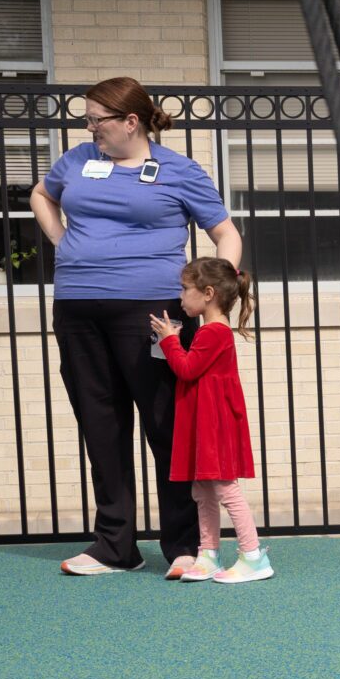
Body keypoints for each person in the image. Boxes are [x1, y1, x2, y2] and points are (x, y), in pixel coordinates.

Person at [31, 77, 242, 578]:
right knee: (100, 424)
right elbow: (42, 194)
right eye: (86, 119)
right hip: (78, 309)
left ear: (130, 122)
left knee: (166, 425)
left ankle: (184, 547)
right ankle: (114, 546)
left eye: (96, 120)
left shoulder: (179, 171)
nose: (88, 128)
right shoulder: (78, 160)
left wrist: (217, 291)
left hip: (152, 311)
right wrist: (64, 243)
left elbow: (225, 233)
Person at [149, 258, 270, 585]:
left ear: (208, 293)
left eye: (185, 289)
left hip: (213, 425)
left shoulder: (214, 333)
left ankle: (253, 555)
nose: (181, 296)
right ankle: (208, 554)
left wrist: (169, 340)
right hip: (204, 423)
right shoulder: (211, 332)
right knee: (202, 490)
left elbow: (187, 369)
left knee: (225, 489)